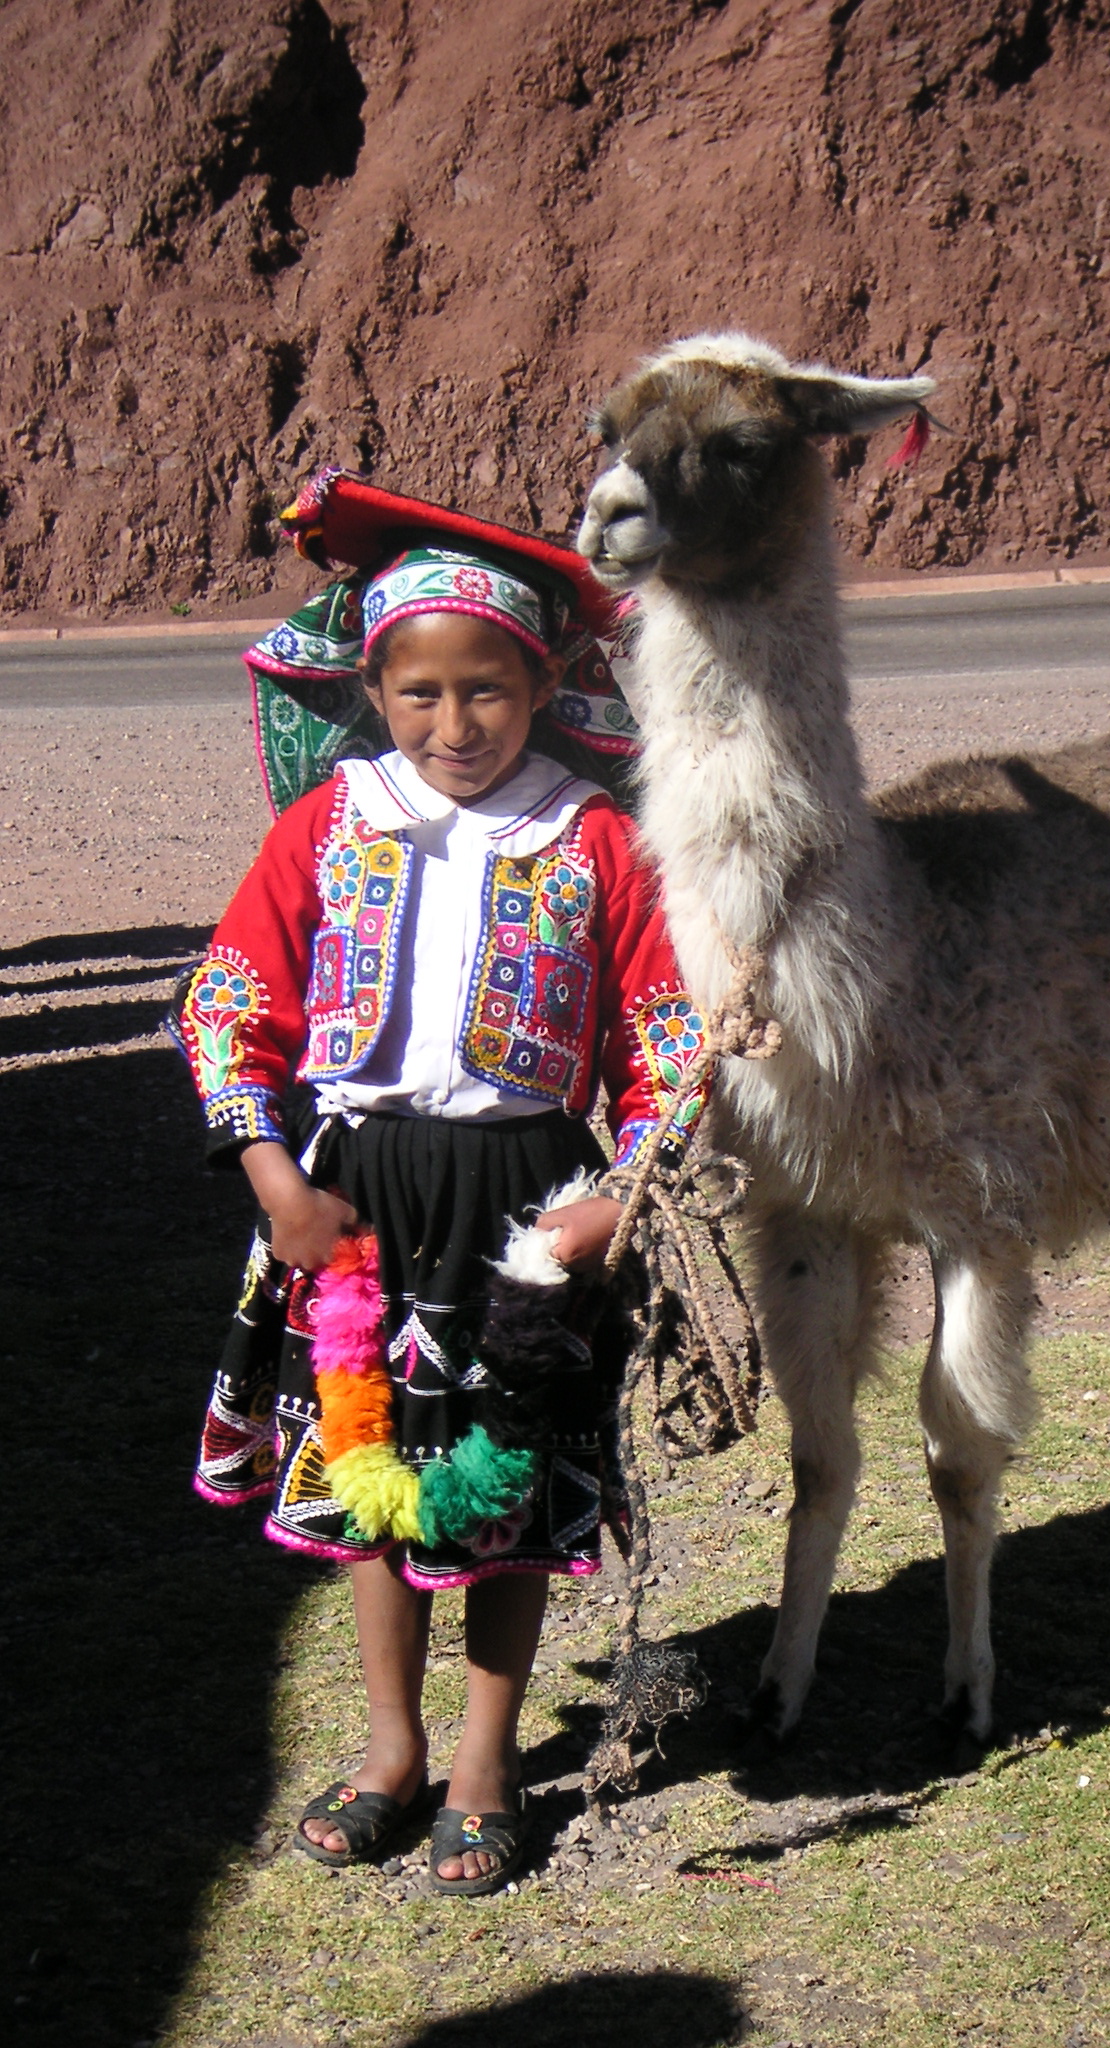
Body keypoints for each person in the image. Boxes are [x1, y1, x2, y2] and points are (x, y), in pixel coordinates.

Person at [179, 474, 704, 1896]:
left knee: (506, 1489)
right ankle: (391, 1745)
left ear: (543, 684)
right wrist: (273, 1173)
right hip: (350, 1203)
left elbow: (673, 1038)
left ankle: (486, 1754)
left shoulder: (597, 841)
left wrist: (623, 1194)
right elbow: (229, 1001)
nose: (453, 725)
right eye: (419, 693)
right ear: (376, 687)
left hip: (531, 1207)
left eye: (487, 691)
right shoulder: (330, 825)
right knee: (369, 1478)